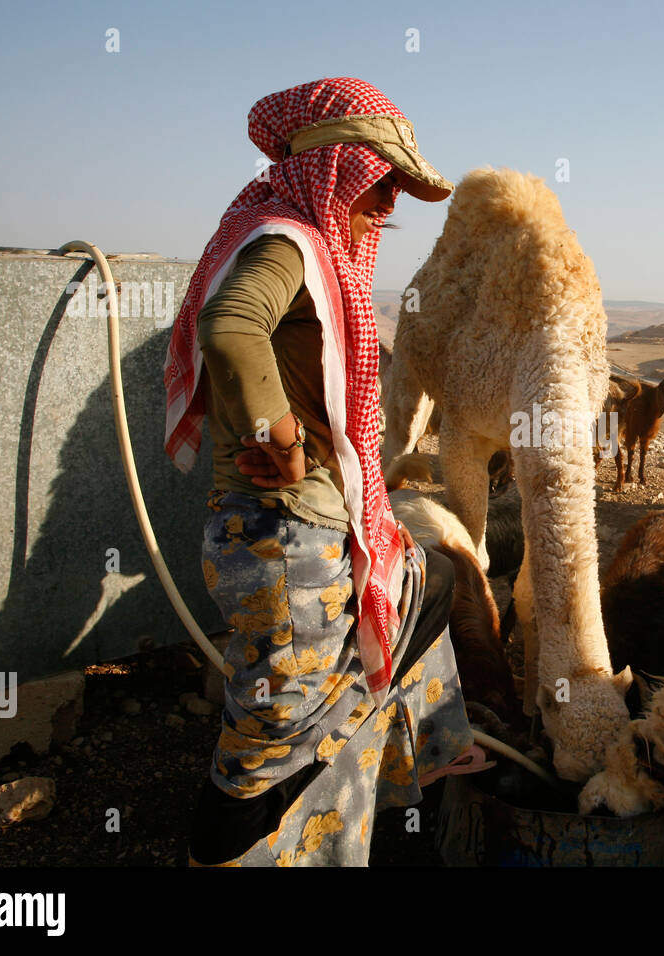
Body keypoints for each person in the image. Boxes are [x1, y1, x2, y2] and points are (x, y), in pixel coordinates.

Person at [163, 77, 476, 866]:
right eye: (381, 184)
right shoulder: (285, 239)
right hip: (283, 542)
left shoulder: (297, 241)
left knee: (428, 593)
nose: (390, 207)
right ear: (335, 167)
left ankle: (398, 816)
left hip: (306, 533)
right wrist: (278, 433)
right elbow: (229, 325)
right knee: (268, 741)